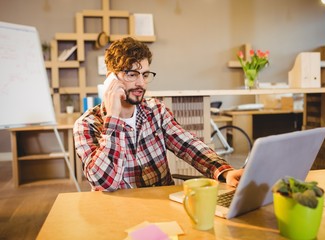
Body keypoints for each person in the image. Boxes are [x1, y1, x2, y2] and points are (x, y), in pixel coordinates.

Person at [73, 37, 244, 191]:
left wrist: (225, 172)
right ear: (111, 78)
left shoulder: (156, 110)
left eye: (145, 74)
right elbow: (104, 184)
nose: (141, 83)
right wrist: (114, 119)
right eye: (132, 74)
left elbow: (189, 146)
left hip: (162, 207)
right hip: (120, 213)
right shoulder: (86, 125)